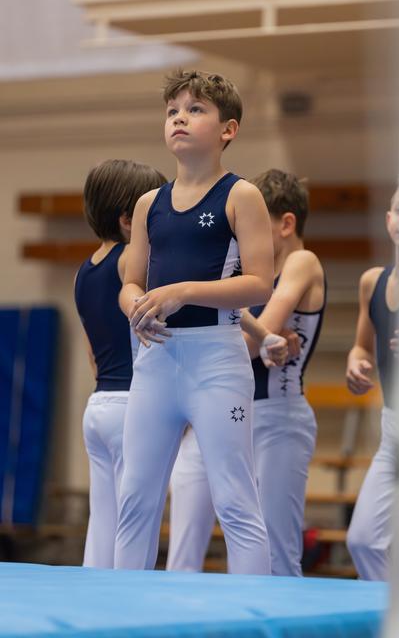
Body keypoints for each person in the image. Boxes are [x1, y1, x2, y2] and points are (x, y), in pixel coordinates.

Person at [115, 69, 275, 574]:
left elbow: (260, 284)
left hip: (215, 358)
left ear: (228, 129)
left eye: (195, 109)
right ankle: (117, 618)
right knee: (135, 501)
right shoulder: (148, 204)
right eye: (172, 111)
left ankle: (258, 620)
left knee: (235, 501)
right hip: (157, 358)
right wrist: (135, 306)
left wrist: (184, 292)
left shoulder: (241, 195)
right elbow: (130, 281)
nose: (180, 118)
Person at [167, 169, 326, 576]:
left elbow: (256, 341)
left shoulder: (301, 262)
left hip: (277, 417)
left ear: (286, 224)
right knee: (187, 543)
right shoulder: (247, 272)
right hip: (227, 412)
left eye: (258, 222)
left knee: (277, 552)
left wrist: (240, 330)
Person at [74, 159, 166, 568]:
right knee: (136, 523)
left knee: (104, 521)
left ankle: (93, 606)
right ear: (130, 220)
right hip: (132, 406)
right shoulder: (132, 259)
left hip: (98, 408)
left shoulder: (85, 270)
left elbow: (93, 354)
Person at [346, 179, 399, 581]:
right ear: (388, 220)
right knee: (364, 539)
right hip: (395, 429)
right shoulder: (373, 282)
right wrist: (356, 363)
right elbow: (363, 347)